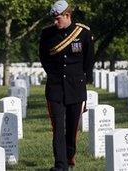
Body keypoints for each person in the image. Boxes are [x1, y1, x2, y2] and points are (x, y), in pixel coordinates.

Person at [39, 0, 94, 170]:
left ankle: (69, 157)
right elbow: (44, 58)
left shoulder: (83, 33)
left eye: (58, 19)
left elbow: (88, 60)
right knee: (58, 129)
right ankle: (60, 166)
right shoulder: (47, 34)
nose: (55, 22)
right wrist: (55, 76)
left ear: (67, 15)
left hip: (75, 88)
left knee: (71, 129)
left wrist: (83, 80)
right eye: (54, 19)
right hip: (55, 89)